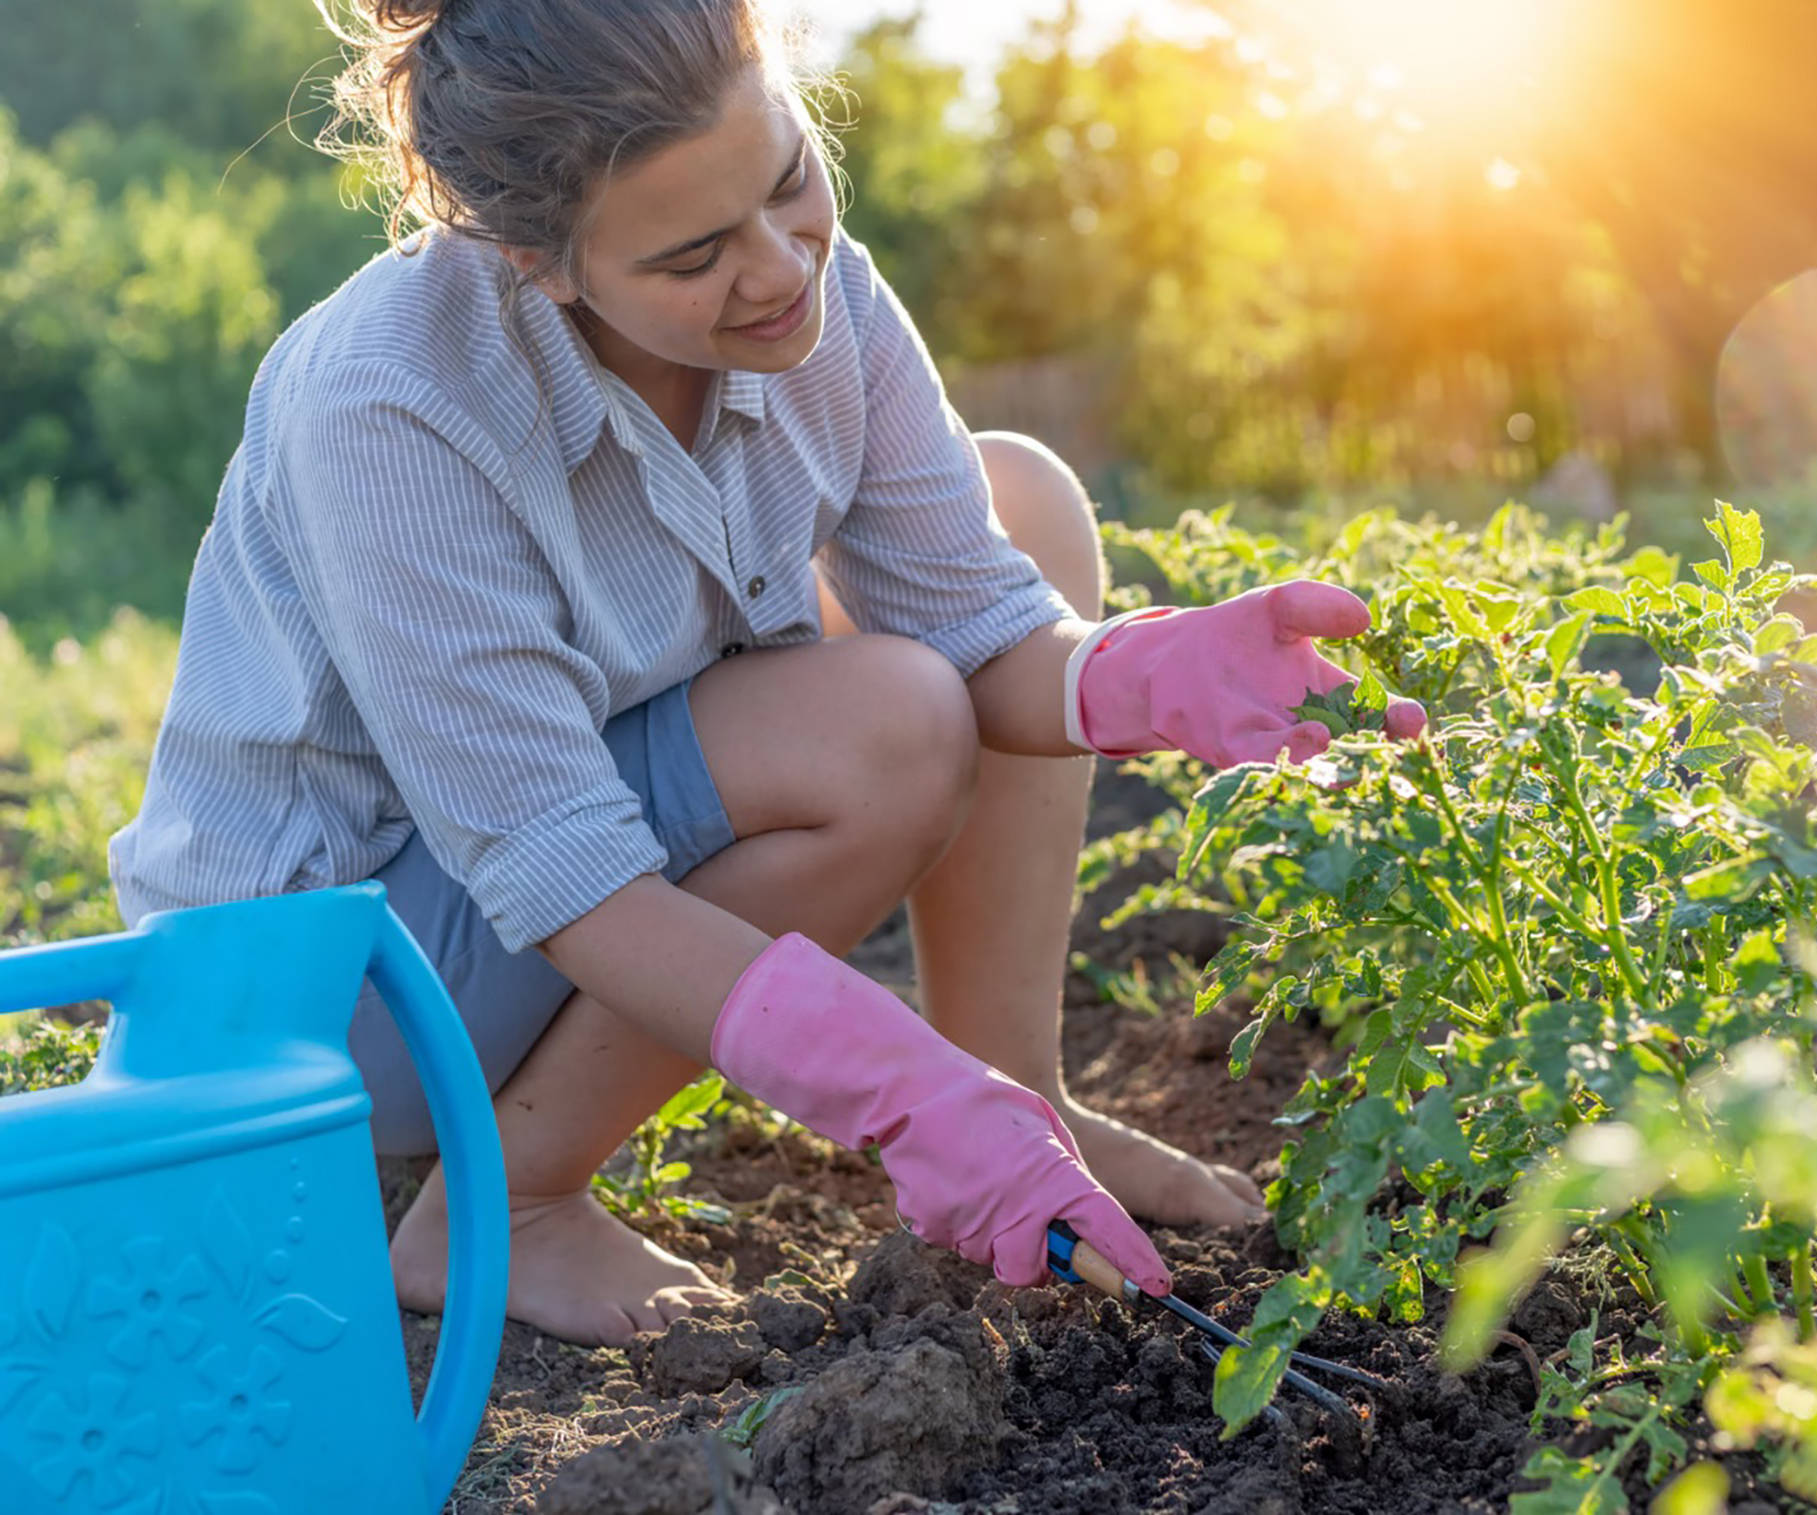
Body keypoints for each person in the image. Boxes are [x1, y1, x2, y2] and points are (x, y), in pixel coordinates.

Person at [107, 0, 1426, 1348]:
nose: (781, 267)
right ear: (536, 260)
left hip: (534, 876)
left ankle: (1015, 1088)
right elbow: (567, 874)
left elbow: (981, 621)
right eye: (693, 256)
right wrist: (891, 1096)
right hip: (329, 990)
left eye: (790, 177)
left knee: (1021, 498)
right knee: (886, 729)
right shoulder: (393, 404)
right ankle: (510, 1201)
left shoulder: (814, 282)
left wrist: (1145, 672)